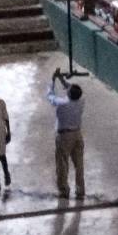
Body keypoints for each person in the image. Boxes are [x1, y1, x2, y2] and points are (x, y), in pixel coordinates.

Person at [47, 68, 86, 201]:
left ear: (68, 94)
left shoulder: (62, 103)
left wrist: (53, 79)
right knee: (79, 164)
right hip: (77, 134)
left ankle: (64, 190)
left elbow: (50, 96)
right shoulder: (81, 101)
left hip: (64, 137)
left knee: (62, 163)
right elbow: (71, 88)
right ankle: (80, 190)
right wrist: (61, 79)